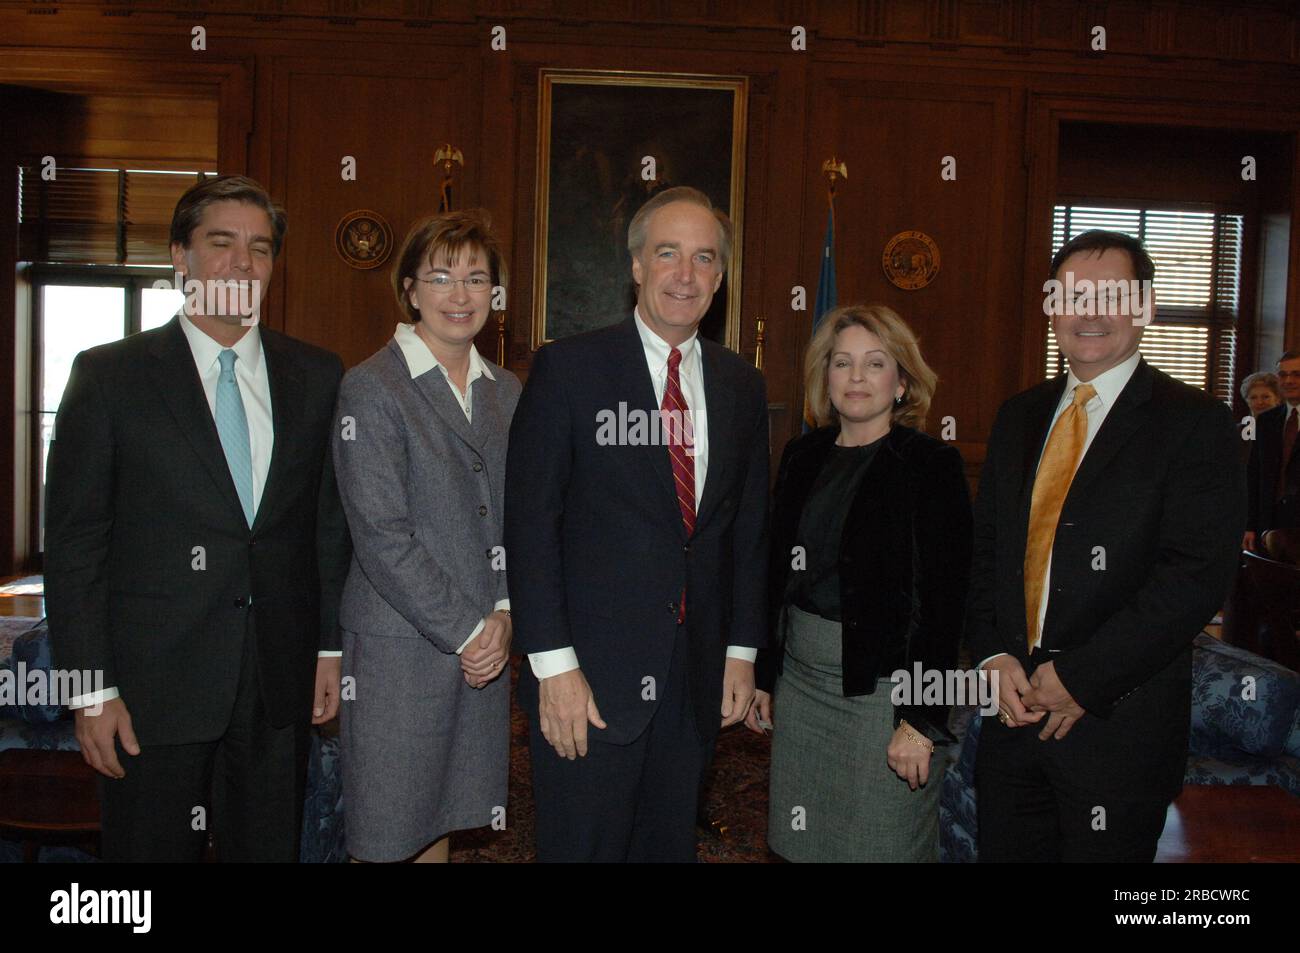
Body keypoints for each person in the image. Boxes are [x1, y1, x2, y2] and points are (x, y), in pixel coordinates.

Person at [45, 174, 351, 861]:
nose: (243, 262)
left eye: (260, 248)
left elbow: (327, 527)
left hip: (276, 681)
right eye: (222, 243)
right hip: (152, 689)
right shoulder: (109, 376)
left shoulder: (317, 375)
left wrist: (329, 648)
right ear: (179, 257)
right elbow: (73, 546)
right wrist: (89, 690)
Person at [505, 186, 769, 862]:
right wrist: (553, 667)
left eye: (704, 257)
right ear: (636, 266)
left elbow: (747, 530)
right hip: (587, 682)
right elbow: (531, 525)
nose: (686, 274)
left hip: (695, 682)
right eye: (668, 254)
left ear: (721, 275)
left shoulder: (741, 384)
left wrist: (741, 651)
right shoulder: (570, 369)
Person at [968, 229, 1244, 862]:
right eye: (1072, 295)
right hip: (1010, 721)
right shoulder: (1018, 417)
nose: (1088, 312)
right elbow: (986, 555)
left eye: (1109, 295)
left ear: (1143, 306)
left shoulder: (1196, 424)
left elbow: (1193, 580)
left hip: (1119, 736)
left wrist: (1080, 679)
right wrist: (991, 656)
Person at [747, 304, 972, 862]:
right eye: (842, 362)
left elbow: (943, 607)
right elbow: (774, 578)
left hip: (884, 697)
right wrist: (763, 675)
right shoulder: (803, 454)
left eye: (875, 364)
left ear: (901, 381)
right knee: (801, 845)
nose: (856, 377)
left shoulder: (929, 465)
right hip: (800, 688)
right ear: (825, 376)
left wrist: (920, 720)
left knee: (882, 846)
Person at [332, 210, 519, 863]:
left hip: (484, 647)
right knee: (389, 832)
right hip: (401, 649)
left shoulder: (508, 392)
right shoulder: (372, 387)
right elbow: (382, 535)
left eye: (476, 277)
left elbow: (514, 519)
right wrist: (472, 631)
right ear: (410, 288)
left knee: (440, 818)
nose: (460, 294)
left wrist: (503, 610)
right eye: (441, 276)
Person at [1246, 353, 1300, 550]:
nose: (1289, 381)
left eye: (1296, 375)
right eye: (1283, 375)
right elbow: (1254, 476)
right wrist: (1249, 525)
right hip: (1267, 526)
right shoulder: (1266, 421)